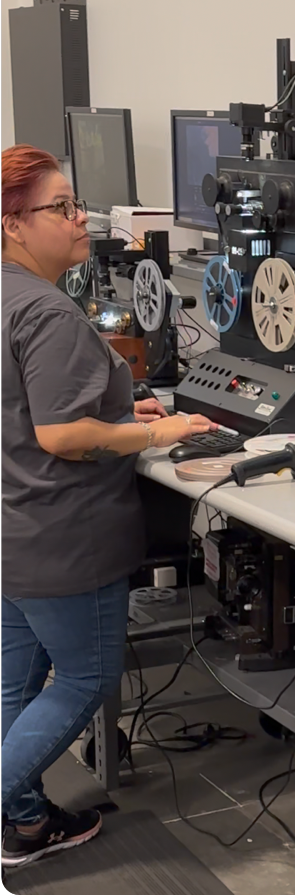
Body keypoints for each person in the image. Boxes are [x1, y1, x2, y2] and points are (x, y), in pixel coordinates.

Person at [0, 144, 216, 869]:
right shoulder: (47, 312)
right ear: (13, 225)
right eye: (60, 207)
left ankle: (26, 825)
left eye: (74, 202)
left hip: (12, 534)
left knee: (16, 685)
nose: (79, 216)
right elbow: (61, 432)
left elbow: (28, 404)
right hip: (65, 538)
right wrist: (153, 431)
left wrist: (123, 403)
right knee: (85, 680)